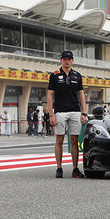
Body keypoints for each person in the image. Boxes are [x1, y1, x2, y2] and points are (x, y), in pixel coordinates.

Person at [46, 50, 88, 178]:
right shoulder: (54, 75)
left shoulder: (77, 75)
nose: (67, 61)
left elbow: (81, 93)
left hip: (75, 111)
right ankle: (59, 168)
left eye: (69, 59)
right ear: (61, 60)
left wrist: (84, 113)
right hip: (60, 112)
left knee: (74, 140)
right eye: (64, 58)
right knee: (59, 139)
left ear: (72, 60)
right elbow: (49, 94)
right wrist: (51, 115)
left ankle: (75, 169)